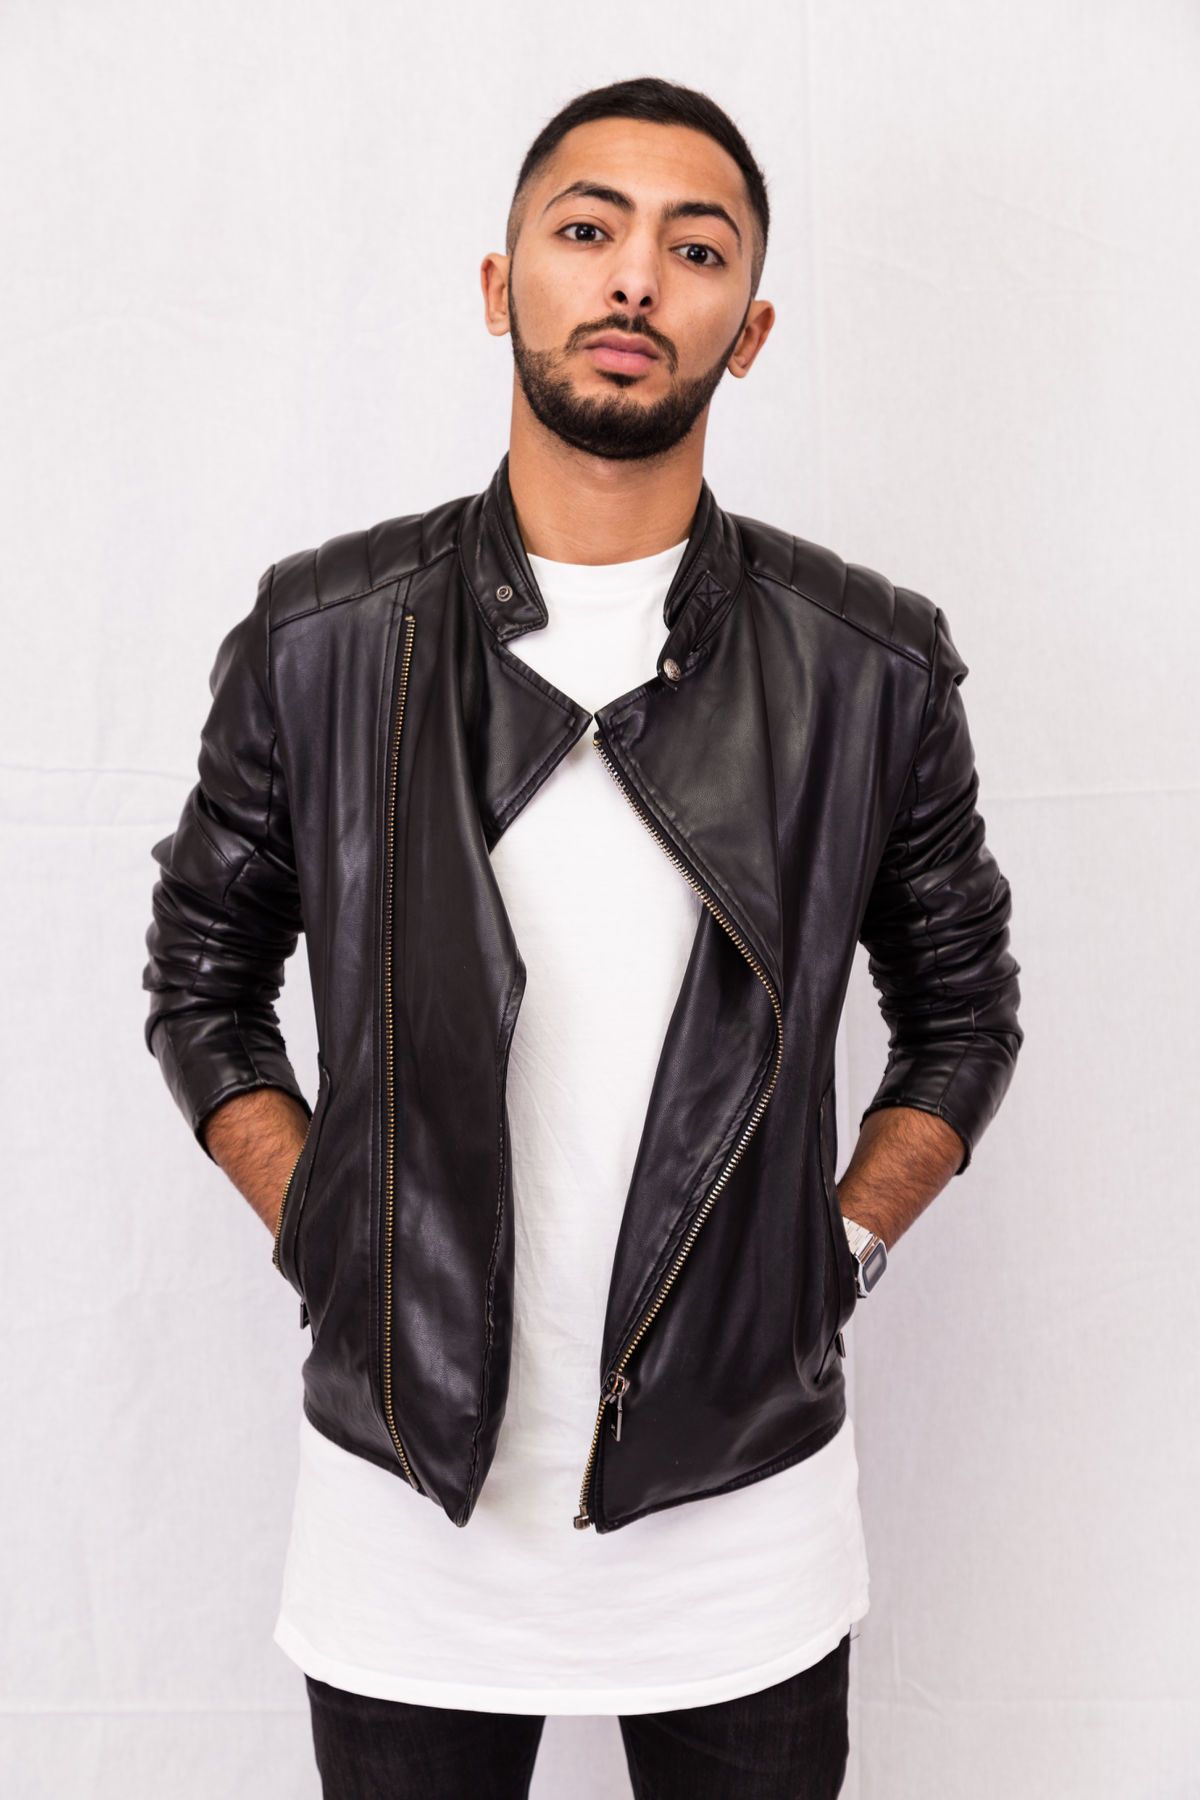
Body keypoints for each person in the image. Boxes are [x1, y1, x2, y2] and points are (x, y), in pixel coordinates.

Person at [142, 75, 1023, 1799]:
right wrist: (329, 1229)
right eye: (588, 229)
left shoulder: (871, 668)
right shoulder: (324, 640)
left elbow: (965, 1016)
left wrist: (835, 1249)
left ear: (747, 329)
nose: (634, 277)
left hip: (745, 1521)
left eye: (695, 249)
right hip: (403, 1524)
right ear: (502, 285)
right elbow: (201, 983)